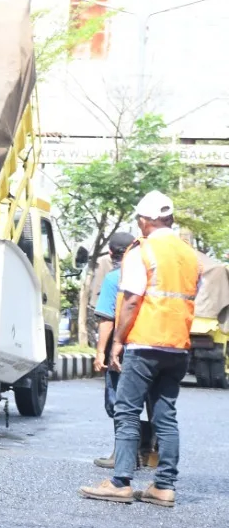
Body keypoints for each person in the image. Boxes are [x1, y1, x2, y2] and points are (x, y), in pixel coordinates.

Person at [79, 191, 200, 507]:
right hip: (177, 347)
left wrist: (117, 342)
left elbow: (132, 300)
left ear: (145, 221)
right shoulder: (190, 255)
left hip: (144, 343)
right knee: (166, 415)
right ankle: (164, 486)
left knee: (127, 410)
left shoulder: (141, 252)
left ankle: (120, 482)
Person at [91, 230, 158, 470]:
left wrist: (101, 353)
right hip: (151, 346)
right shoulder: (151, 275)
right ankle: (147, 451)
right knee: (151, 400)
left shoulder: (113, 278)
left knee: (119, 403)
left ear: (111, 253)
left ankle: (122, 455)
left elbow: (107, 319)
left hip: (121, 350)